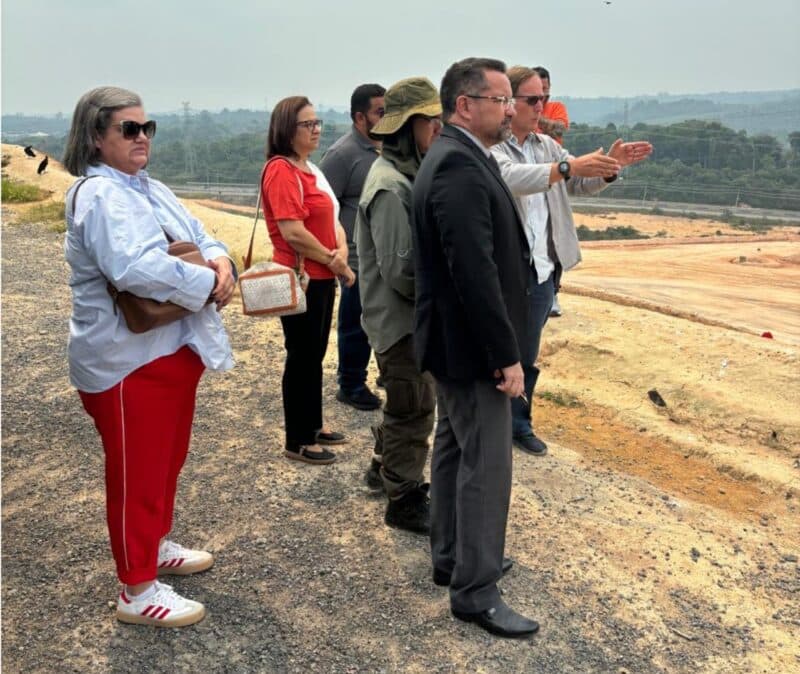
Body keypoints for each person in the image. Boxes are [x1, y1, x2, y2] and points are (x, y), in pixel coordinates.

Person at [63, 86, 237, 627]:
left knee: (164, 460)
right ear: (96, 136)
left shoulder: (149, 188)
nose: (142, 138)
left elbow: (202, 234)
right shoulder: (98, 195)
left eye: (147, 128)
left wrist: (221, 260)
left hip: (169, 347)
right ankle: (136, 588)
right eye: (128, 129)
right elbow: (133, 268)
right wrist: (208, 282)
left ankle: (154, 544)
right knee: (136, 472)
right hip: (126, 361)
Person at [413, 58, 539, 638]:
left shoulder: (457, 157)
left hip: (452, 344)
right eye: (501, 98)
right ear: (466, 105)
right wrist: (506, 354)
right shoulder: (459, 167)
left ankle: (451, 557)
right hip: (472, 349)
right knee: (486, 465)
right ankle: (475, 590)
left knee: (454, 450)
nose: (510, 108)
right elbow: (475, 273)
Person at [492, 66, 653, 456]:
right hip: (506, 267)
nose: (541, 106)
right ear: (508, 103)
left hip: (543, 267)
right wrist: (567, 167)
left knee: (526, 351)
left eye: (543, 98)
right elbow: (513, 177)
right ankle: (497, 422)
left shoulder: (545, 145)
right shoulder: (491, 147)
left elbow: (579, 182)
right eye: (532, 99)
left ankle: (516, 422)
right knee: (501, 348)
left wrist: (610, 168)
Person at [355, 77, 442, 534]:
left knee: (403, 402)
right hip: (401, 326)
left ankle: (383, 468)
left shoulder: (402, 174)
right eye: (432, 123)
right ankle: (403, 498)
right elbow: (402, 273)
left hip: (401, 321)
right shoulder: (391, 187)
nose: (438, 131)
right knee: (413, 408)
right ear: (411, 127)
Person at [261, 96, 356, 465]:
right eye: (307, 124)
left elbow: (331, 216)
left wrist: (341, 251)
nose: (316, 129)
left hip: (320, 277)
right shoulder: (281, 170)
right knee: (300, 356)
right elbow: (292, 232)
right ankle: (297, 439)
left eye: (317, 123)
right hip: (300, 278)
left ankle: (313, 425)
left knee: (314, 355)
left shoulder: (309, 168)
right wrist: (337, 262)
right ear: (287, 129)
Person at [320, 84, 386, 411]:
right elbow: (322, 207)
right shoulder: (342, 155)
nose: (387, 118)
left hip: (385, 255)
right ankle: (350, 383)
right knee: (355, 323)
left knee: (383, 322)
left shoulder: (388, 147)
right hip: (357, 259)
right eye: (380, 112)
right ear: (360, 117)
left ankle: (384, 375)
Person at [533, 66, 569, 145]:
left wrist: (531, 115)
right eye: (537, 88)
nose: (541, 93)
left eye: (544, 88)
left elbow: (559, 130)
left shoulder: (557, 107)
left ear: (549, 87)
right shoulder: (518, 109)